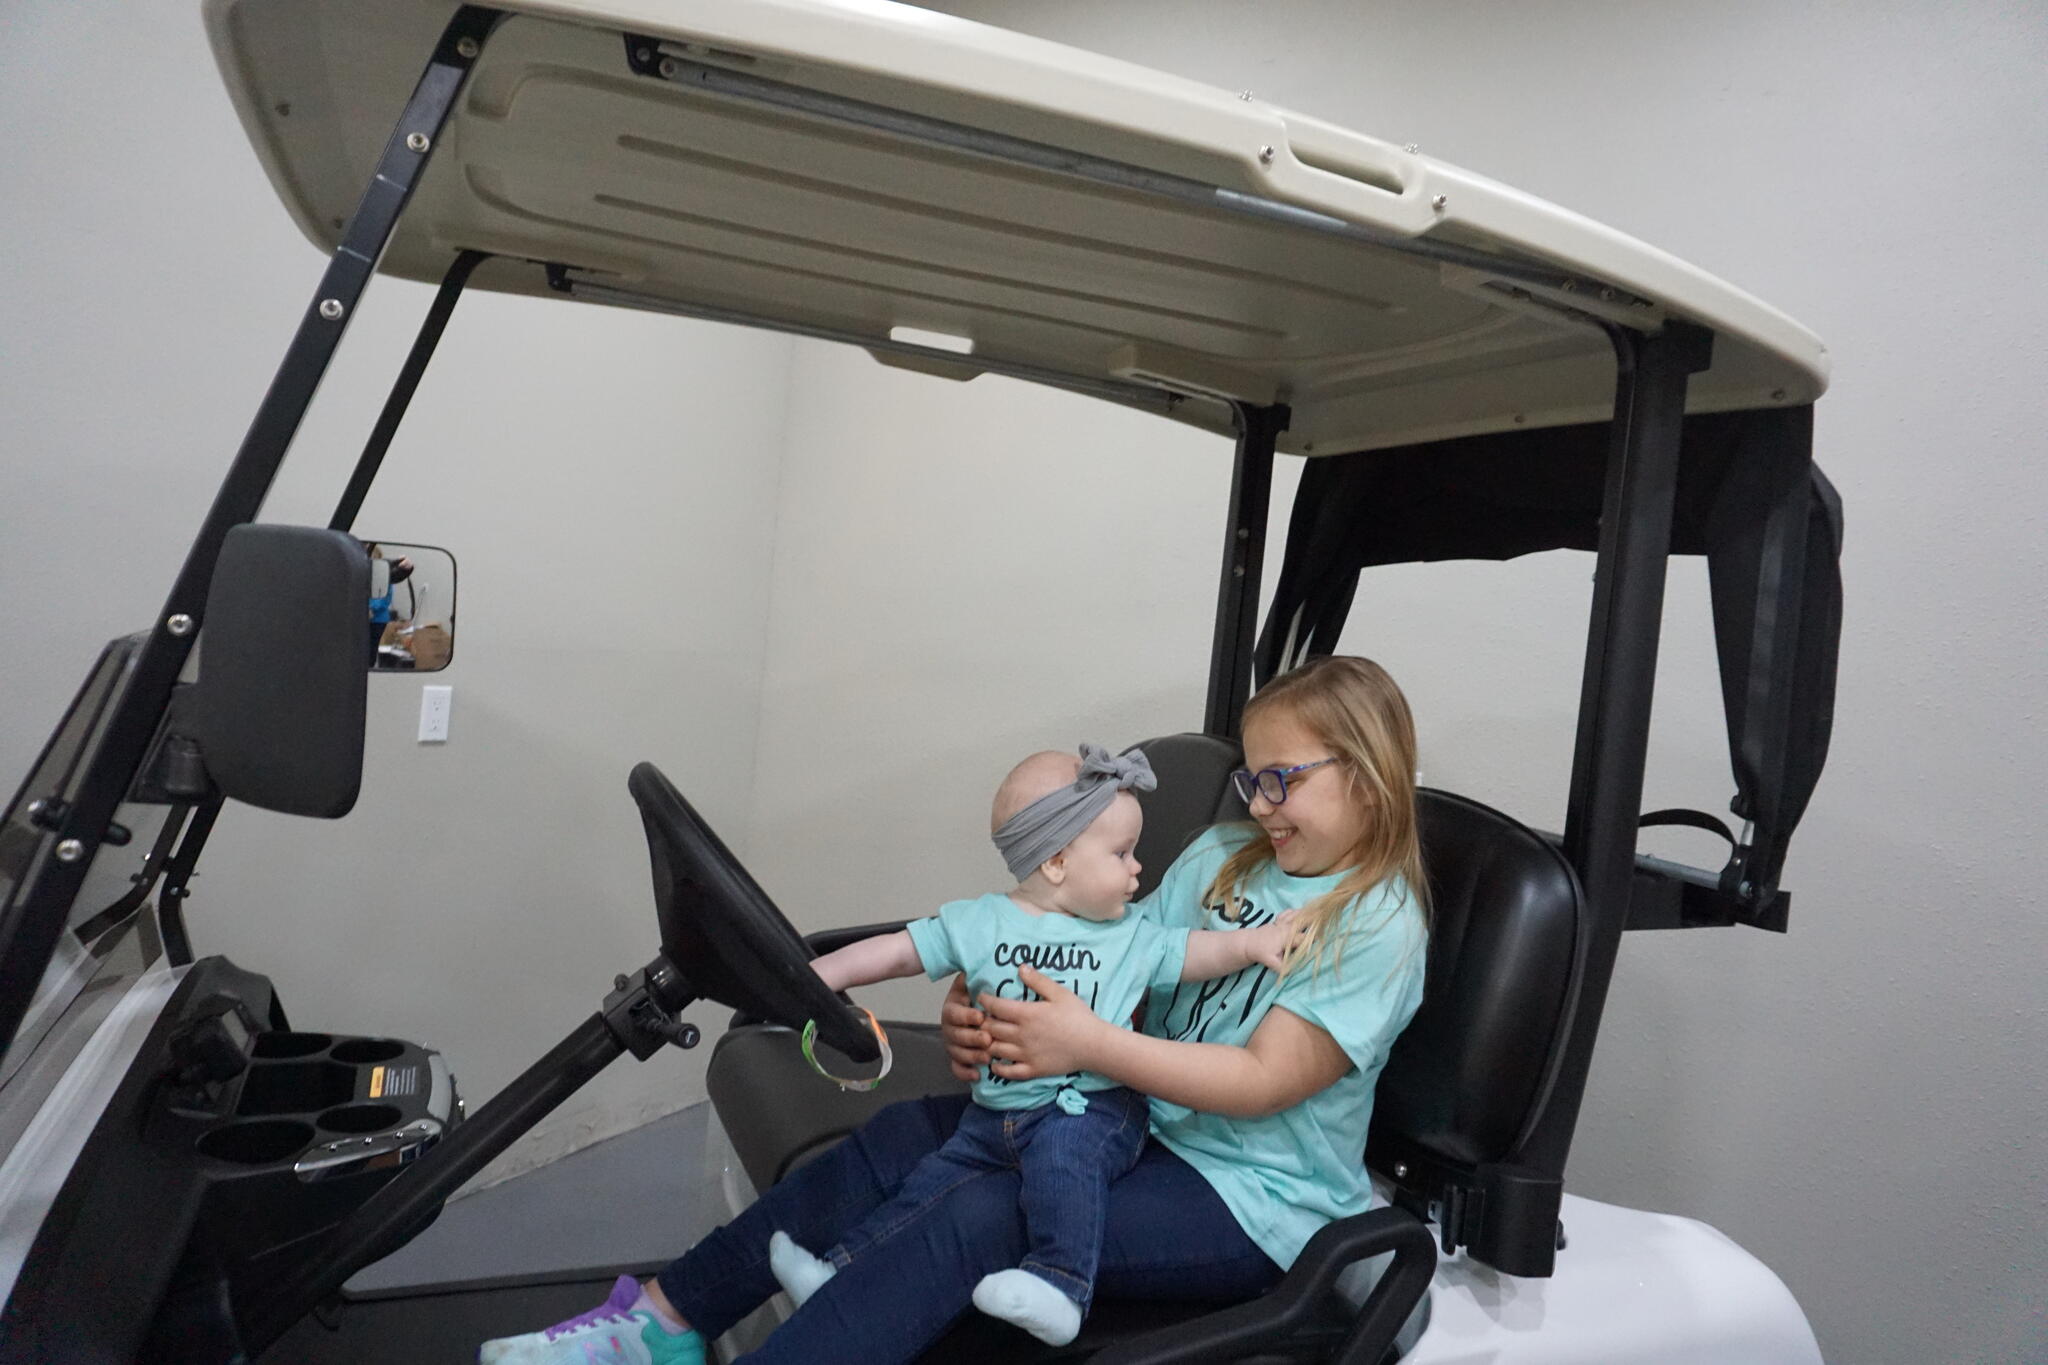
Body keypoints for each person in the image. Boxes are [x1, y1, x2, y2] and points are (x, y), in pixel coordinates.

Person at [478, 656, 1430, 1365]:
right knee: (898, 1140)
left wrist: (1086, 1042)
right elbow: (1110, 958)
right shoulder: (1223, 859)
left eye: (1283, 780)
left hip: (1251, 1201)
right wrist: (985, 1007)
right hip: (1129, 1120)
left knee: (986, 1208)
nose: (1259, 802)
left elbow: (1262, 1081)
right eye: (1253, 778)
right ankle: (662, 1321)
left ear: (1367, 771)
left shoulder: (1377, 920)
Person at [762, 743, 1303, 1348]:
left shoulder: (1129, 934)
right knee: (930, 1186)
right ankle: (839, 1274)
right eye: (1122, 854)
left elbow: (1195, 952)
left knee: (1063, 1165)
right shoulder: (981, 921)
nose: (1137, 869)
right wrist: (815, 978)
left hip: (1093, 1106)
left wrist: (1251, 944)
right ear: (1056, 862)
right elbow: (895, 952)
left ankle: (1061, 1286)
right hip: (997, 1113)